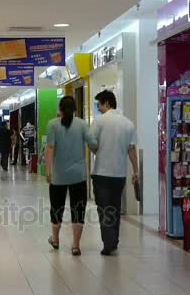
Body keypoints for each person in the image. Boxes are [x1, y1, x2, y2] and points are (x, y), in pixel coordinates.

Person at [45, 96, 97, 256]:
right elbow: (93, 145)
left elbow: (50, 148)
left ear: (60, 108)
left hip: (58, 176)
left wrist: (48, 171)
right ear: (74, 108)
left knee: (56, 208)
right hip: (78, 175)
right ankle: (75, 245)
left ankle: (55, 239)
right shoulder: (81, 124)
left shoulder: (53, 124)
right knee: (78, 209)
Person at [91, 90, 138, 256]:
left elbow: (93, 145)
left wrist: (94, 149)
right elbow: (131, 149)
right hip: (119, 174)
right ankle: (114, 240)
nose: (98, 107)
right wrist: (136, 170)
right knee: (115, 207)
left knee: (104, 209)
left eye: (99, 104)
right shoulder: (128, 123)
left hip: (101, 173)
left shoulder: (99, 121)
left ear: (107, 103)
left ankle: (109, 243)